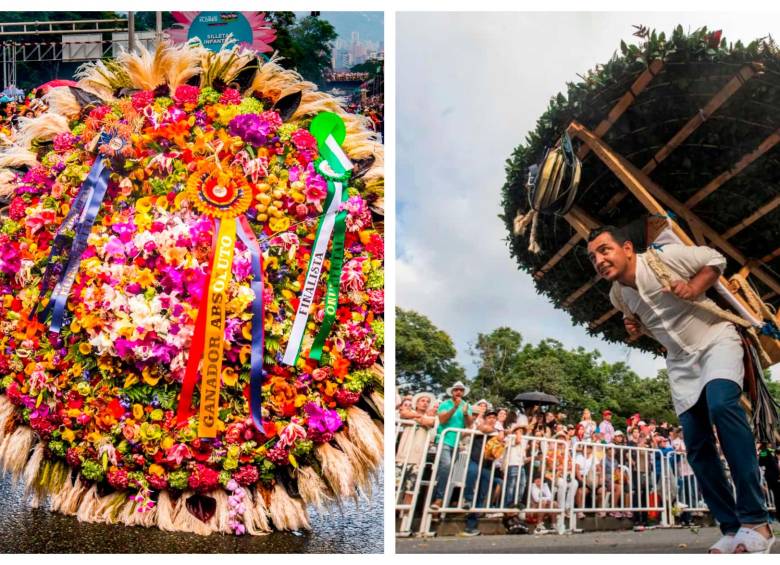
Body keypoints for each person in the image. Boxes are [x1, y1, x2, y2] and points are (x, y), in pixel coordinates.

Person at [587, 226, 775, 553]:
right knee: (697, 444)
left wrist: (693, 286)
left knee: (721, 406)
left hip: (716, 340)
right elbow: (637, 319)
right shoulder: (618, 296)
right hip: (680, 364)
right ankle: (730, 529)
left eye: (605, 250)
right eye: (593, 257)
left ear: (628, 248)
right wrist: (633, 326)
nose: (600, 260)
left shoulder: (663, 258)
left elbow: (715, 259)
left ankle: (756, 521)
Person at [430, 381, 473, 510]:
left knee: (450, 473)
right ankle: (439, 499)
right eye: (456, 390)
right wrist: (454, 407)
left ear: (463, 392)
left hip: (457, 444)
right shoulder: (445, 404)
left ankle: (441, 503)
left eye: (461, 390)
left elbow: (469, 424)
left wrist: (465, 413)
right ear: (452, 392)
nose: (458, 392)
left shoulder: (466, 406)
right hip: (444, 440)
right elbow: (442, 419)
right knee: (446, 466)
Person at [462, 409, 503, 536]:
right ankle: (468, 499)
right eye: (489, 417)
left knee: (482, 493)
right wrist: (492, 430)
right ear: (485, 418)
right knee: (471, 473)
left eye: (494, 418)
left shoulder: (497, 431)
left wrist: (499, 432)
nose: (492, 419)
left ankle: (471, 526)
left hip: (488, 464)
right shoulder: (479, 426)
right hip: (474, 460)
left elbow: (500, 444)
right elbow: (482, 428)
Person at [757, 442, 780, 520]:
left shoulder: (770, 451)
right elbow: (761, 462)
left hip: (774, 477)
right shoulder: (764, 451)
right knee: (777, 497)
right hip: (773, 478)